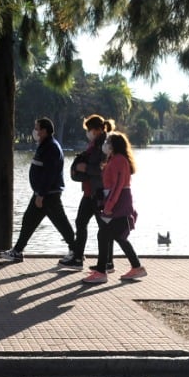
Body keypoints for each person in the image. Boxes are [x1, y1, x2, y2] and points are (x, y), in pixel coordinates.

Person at [0, 117, 78, 264]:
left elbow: (50, 173)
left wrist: (41, 193)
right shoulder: (44, 145)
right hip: (41, 193)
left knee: (61, 223)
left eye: (37, 128)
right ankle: (17, 251)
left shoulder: (51, 147)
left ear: (44, 131)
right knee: (28, 220)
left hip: (48, 194)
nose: (34, 131)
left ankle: (76, 252)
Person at [84, 130, 146, 283]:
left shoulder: (119, 160)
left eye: (108, 142)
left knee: (107, 235)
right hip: (117, 202)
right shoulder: (115, 159)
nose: (105, 144)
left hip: (118, 205)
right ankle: (135, 267)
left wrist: (108, 206)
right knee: (116, 236)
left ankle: (101, 272)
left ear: (114, 145)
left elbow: (118, 186)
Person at [66, 115, 113, 272]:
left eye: (90, 130)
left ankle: (107, 262)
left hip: (99, 193)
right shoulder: (93, 145)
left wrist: (85, 169)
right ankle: (78, 258)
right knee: (81, 223)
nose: (88, 133)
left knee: (105, 227)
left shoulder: (106, 145)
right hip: (89, 191)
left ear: (98, 130)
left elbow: (104, 169)